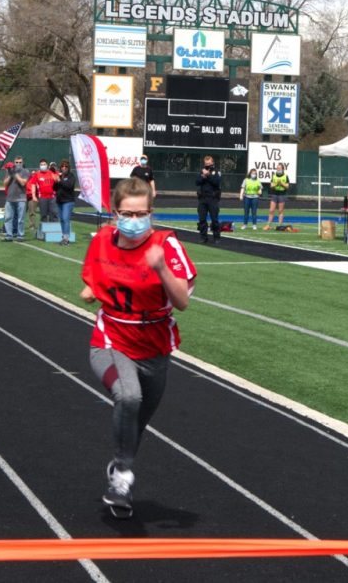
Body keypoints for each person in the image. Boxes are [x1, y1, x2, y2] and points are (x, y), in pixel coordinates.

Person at [79, 177, 196, 519]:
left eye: (142, 213)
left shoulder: (166, 246)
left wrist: (160, 268)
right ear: (116, 214)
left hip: (155, 344)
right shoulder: (102, 240)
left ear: (151, 213)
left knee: (137, 422)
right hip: (111, 339)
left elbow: (182, 302)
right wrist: (91, 292)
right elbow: (93, 279)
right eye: (128, 213)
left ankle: (119, 467)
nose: (135, 220)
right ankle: (123, 479)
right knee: (128, 397)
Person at [195, 155, 221, 244]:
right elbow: (197, 182)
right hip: (202, 198)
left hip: (212, 198)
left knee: (214, 219)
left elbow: (216, 182)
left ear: (212, 163)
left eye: (209, 163)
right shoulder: (201, 171)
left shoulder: (216, 172)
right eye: (206, 163)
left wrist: (208, 175)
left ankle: (216, 237)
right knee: (202, 219)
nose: (208, 165)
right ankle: (203, 237)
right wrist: (203, 176)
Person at [2, 160, 29, 242]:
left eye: (20, 162)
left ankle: (20, 236)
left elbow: (23, 183)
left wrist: (15, 174)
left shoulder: (25, 171)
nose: (18, 164)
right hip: (10, 198)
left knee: (20, 219)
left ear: (22, 163)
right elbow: (5, 184)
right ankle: (9, 235)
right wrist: (10, 175)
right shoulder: (9, 171)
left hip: (21, 198)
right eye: (16, 162)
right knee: (8, 218)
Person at [53, 159, 76, 246]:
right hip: (60, 201)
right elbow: (54, 188)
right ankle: (63, 237)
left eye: (66, 166)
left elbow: (69, 186)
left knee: (66, 219)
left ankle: (66, 238)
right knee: (62, 219)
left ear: (68, 168)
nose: (64, 168)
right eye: (62, 166)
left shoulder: (71, 176)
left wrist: (60, 181)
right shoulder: (60, 176)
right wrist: (55, 181)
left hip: (68, 201)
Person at [264, 163, 289, 230]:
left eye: (279, 168)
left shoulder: (286, 176)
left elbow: (287, 186)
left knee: (280, 210)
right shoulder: (274, 176)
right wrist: (276, 184)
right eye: (277, 168)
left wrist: (282, 183)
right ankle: (268, 225)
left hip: (282, 194)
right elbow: (271, 186)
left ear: (282, 169)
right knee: (271, 210)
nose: (278, 169)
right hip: (274, 194)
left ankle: (279, 225)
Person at [33, 159, 59, 223]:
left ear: (47, 165)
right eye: (41, 165)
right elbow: (33, 184)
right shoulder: (37, 174)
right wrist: (33, 195)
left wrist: (54, 173)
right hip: (42, 197)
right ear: (39, 166)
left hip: (52, 197)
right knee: (43, 215)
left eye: (44, 164)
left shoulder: (52, 173)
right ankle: (44, 231)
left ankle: (53, 231)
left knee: (53, 214)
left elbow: (57, 180)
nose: (43, 166)